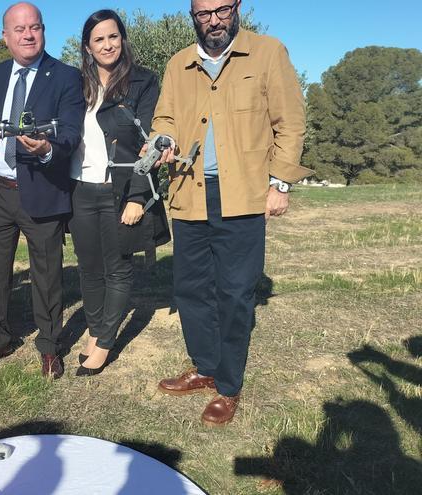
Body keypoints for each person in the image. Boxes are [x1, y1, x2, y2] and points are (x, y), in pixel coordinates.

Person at [152, 0, 311, 425]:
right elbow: (164, 117)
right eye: (204, 14)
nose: (214, 21)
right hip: (189, 192)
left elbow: (290, 121)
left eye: (221, 10)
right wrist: (163, 140)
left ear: (237, 6)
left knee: (236, 294)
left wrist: (279, 183)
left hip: (244, 193)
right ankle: (205, 367)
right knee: (190, 291)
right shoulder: (178, 63)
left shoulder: (267, 52)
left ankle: (228, 385)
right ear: (193, 16)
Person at [0, 2, 84, 378]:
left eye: (34, 27)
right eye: (19, 29)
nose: (27, 34)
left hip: (43, 188)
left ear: (43, 30)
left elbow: (71, 130)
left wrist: (50, 149)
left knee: (47, 275)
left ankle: (50, 346)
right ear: (5, 37)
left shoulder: (66, 76)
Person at [69, 9, 170, 376]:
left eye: (113, 37)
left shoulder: (143, 82)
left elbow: (152, 143)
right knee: (89, 269)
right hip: (81, 187)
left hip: (121, 188)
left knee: (117, 268)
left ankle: (105, 342)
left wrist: (138, 196)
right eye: (99, 39)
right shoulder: (77, 84)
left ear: (122, 39)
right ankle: (96, 330)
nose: (107, 44)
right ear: (88, 47)